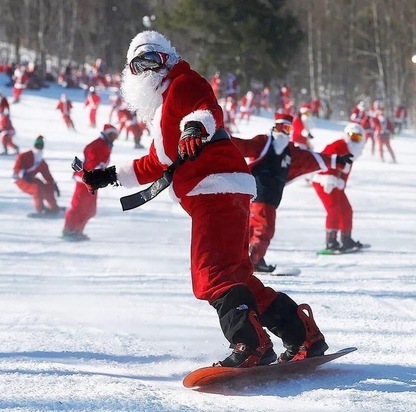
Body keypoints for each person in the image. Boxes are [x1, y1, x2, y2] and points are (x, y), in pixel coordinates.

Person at [78, 30, 328, 367]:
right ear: (130, 72)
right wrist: (108, 175)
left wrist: (194, 127)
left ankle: (251, 344)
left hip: (215, 186)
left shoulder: (183, 82)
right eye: (140, 64)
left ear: (168, 59)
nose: (149, 68)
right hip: (224, 187)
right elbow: (157, 163)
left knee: (212, 273)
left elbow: (206, 108)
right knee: (237, 276)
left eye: (155, 59)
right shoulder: (162, 107)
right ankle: (302, 335)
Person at [232, 113, 353, 272]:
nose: (283, 132)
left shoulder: (290, 151)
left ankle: (236, 259)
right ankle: (254, 260)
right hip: (261, 194)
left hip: (268, 197)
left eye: (287, 128)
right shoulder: (264, 143)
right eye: (280, 127)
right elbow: (243, 145)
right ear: (274, 127)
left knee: (251, 229)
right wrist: (221, 139)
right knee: (264, 228)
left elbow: (310, 159)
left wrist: (336, 160)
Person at [312, 123, 366, 251]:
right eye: (352, 136)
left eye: (357, 138)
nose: (354, 140)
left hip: (337, 183)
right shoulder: (339, 145)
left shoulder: (352, 151)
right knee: (333, 210)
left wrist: (341, 183)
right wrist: (329, 179)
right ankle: (331, 241)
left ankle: (346, 239)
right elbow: (326, 159)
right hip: (324, 182)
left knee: (346, 209)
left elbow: (345, 172)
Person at [62, 124, 119, 241]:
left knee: (90, 209)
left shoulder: (106, 144)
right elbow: (90, 156)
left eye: (116, 136)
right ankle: (68, 230)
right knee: (78, 206)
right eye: (112, 135)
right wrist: (99, 168)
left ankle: (77, 230)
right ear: (107, 133)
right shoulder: (98, 144)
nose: (114, 138)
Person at [12, 136, 62, 214]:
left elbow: (47, 176)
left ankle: (54, 208)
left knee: (47, 187)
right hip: (20, 179)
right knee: (37, 188)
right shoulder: (24, 156)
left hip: (31, 179)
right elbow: (16, 168)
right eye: (37, 145)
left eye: (40, 145)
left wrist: (53, 184)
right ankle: (40, 209)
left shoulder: (41, 162)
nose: (39, 147)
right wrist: (23, 173)